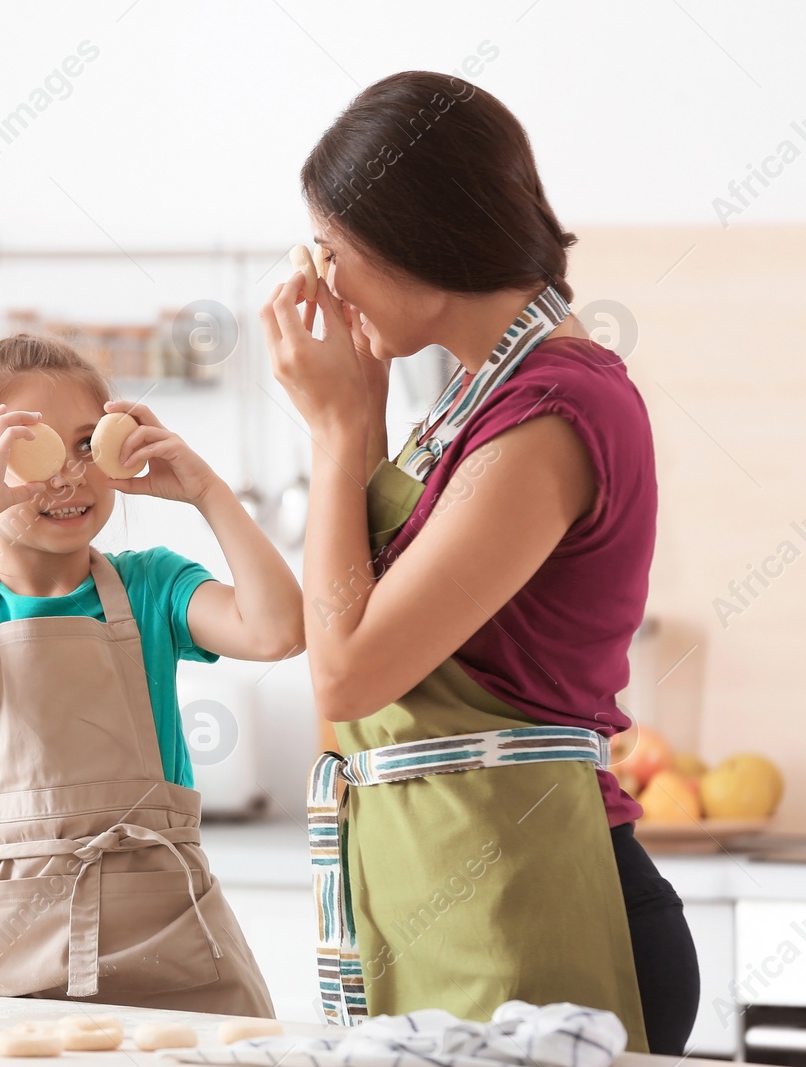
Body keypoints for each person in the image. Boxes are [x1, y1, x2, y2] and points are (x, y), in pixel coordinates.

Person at [262, 71, 699, 1054]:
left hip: (544, 909)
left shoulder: (547, 412)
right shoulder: (468, 406)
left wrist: (337, 437)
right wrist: (361, 423)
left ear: (413, 240)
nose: (320, 284)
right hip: (460, 896)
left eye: (331, 252)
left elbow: (347, 666)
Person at [0, 333, 302, 1015]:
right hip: (20, 958)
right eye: (27, 450)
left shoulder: (153, 585)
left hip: (177, 951)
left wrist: (205, 488)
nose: (67, 474)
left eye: (84, 443)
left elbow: (281, 629)